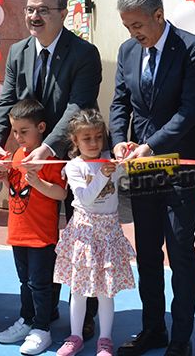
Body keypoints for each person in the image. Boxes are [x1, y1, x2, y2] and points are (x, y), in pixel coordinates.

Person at [0, 0, 102, 339]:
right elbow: (7, 99)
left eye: (43, 10)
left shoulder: (84, 54)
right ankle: (42, 312)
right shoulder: (19, 51)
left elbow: (77, 105)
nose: (34, 16)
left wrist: (49, 147)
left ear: (63, 14)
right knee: (38, 242)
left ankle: (84, 314)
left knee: (81, 239)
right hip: (31, 162)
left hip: (70, 159)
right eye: (30, 9)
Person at [110, 0, 195, 356]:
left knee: (180, 249)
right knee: (149, 251)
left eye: (137, 25)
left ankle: (181, 337)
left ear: (158, 16)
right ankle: (152, 328)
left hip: (181, 163)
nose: (132, 34)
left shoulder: (192, 49)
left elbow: (190, 111)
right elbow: (120, 102)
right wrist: (118, 141)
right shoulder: (127, 51)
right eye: (127, 27)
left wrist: (151, 144)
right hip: (142, 165)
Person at [54, 109, 136, 356]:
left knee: (105, 291)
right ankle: (75, 335)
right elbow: (86, 199)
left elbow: (131, 174)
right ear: (75, 141)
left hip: (108, 233)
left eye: (98, 137)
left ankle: (105, 340)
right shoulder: (74, 166)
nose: (93, 143)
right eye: (86, 138)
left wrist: (130, 157)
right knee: (78, 290)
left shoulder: (110, 160)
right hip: (84, 234)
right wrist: (103, 175)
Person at [0, 99, 67, 355]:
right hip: (18, 233)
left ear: (42, 128)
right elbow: (16, 191)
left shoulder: (50, 159)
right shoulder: (16, 155)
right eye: (14, 131)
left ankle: (42, 328)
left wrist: (38, 183)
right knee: (25, 282)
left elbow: (60, 193)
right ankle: (27, 320)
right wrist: (4, 177)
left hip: (41, 236)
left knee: (40, 283)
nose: (18, 136)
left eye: (24, 131)